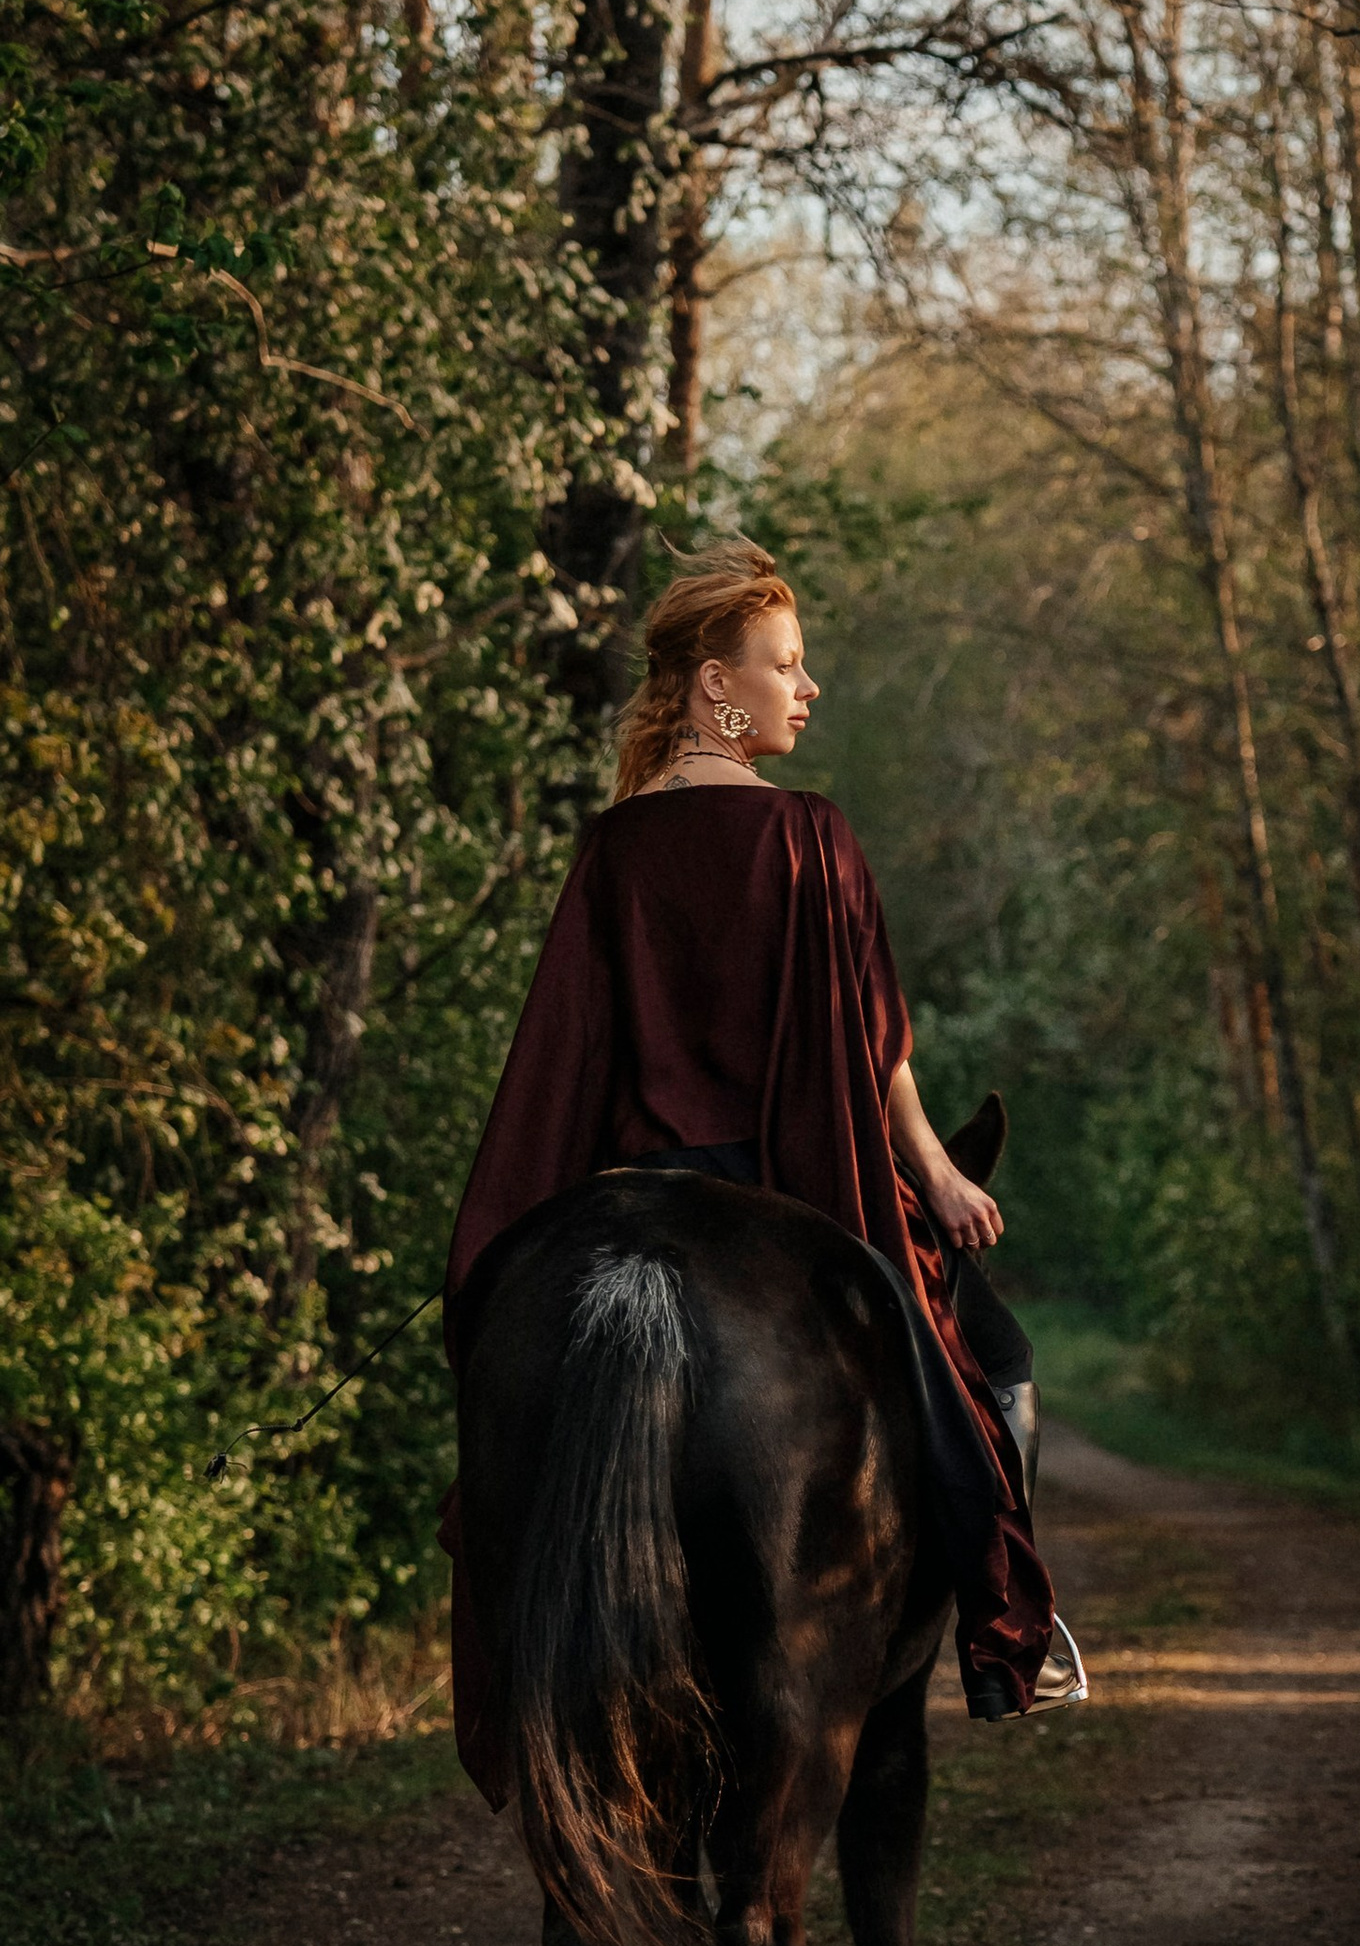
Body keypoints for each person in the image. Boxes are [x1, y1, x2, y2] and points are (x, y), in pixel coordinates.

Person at [439, 542, 1056, 1789]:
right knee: (988, 1362)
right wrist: (937, 1174)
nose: (806, 687)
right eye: (786, 664)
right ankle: (1004, 1638)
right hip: (793, 1174)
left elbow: (568, 1050)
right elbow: (871, 1041)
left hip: (629, 1190)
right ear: (717, 684)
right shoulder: (808, 834)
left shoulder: (613, 847)